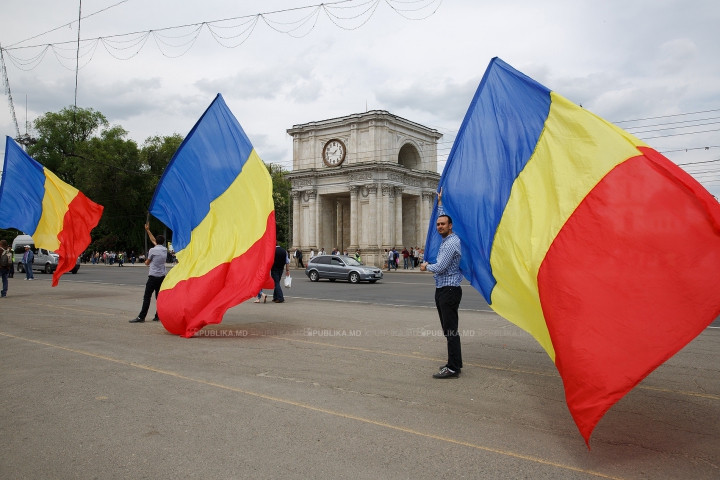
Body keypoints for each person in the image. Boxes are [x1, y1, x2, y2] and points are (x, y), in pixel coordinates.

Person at [420, 188, 463, 379]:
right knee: (448, 329)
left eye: (443, 224)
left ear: (450, 226)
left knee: (450, 330)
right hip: (443, 289)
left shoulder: (452, 243)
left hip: (449, 290)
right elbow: (442, 217)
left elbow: (441, 267)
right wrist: (439, 204)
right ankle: (455, 363)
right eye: (438, 224)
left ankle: (453, 368)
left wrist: (426, 266)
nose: (439, 227)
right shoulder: (446, 239)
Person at [130, 224, 167, 323]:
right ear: (163, 242)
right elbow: (154, 240)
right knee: (158, 297)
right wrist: (148, 231)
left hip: (153, 276)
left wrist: (146, 261)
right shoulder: (164, 250)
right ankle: (158, 315)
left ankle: (142, 317)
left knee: (147, 297)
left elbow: (147, 263)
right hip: (162, 276)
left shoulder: (153, 250)